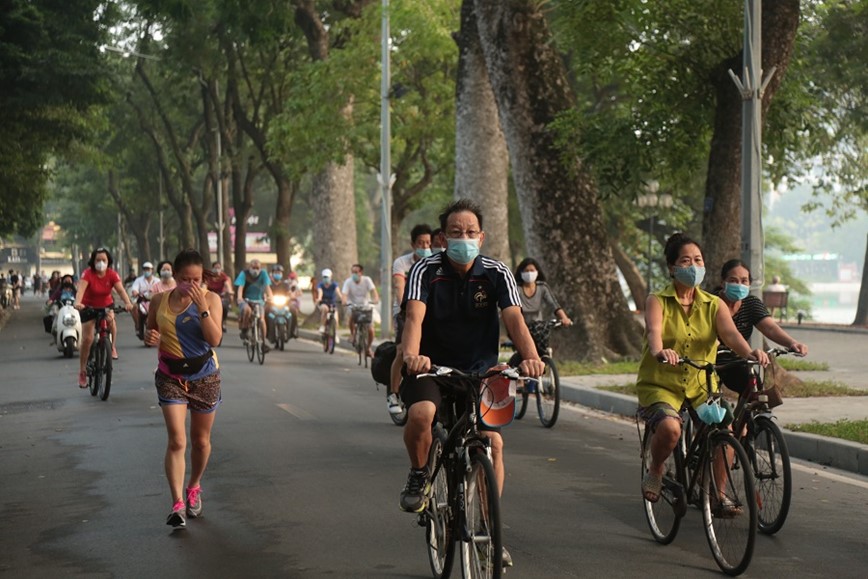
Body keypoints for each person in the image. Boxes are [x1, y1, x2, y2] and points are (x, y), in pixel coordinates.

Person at [399, 199, 545, 569]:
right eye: (454, 233)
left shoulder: (497, 272)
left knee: (492, 443)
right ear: (442, 239)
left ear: (481, 237)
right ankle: (419, 475)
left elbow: (514, 319)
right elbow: (414, 318)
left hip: (481, 372)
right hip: (431, 367)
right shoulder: (424, 271)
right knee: (421, 415)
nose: (463, 238)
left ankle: (489, 527)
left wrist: (531, 357)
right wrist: (414, 356)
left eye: (470, 232)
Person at [637, 233, 769, 508]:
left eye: (698, 260)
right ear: (672, 267)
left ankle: (716, 494)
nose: (693, 266)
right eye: (686, 260)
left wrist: (750, 352)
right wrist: (660, 351)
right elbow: (654, 333)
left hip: (702, 384)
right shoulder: (657, 300)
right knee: (671, 428)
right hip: (662, 384)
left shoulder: (713, 304)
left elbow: (731, 335)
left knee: (727, 431)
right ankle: (657, 468)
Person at [144, 249, 223, 529]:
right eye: (185, 279)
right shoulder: (158, 301)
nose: (192, 285)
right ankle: (177, 504)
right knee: (177, 441)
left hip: (204, 376)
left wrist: (202, 308)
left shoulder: (212, 300)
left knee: (201, 441)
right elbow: (149, 332)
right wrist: (149, 335)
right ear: (174, 277)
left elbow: (214, 338)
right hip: (171, 377)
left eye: (197, 279)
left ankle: (194, 486)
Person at [714, 259, 808, 393]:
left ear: (749, 283)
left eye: (744, 281)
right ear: (723, 282)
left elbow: (770, 328)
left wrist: (792, 343)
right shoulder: (710, 302)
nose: (739, 285)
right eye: (733, 280)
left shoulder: (751, 304)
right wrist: (749, 352)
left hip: (736, 360)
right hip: (706, 360)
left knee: (754, 389)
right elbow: (730, 334)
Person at [388, 224, 433, 414]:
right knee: (402, 351)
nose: (425, 246)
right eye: (421, 243)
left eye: (428, 243)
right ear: (413, 244)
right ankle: (393, 394)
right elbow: (399, 288)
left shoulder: (435, 262)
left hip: (429, 312)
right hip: (404, 311)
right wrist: (406, 310)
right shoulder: (401, 263)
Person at [73, 248, 134, 387]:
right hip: (88, 307)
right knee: (87, 338)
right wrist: (78, 303)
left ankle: (112, 347)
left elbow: (120, 290)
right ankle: (82, 371)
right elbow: (81, 290)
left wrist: (128, 303)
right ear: (93, 262)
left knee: (111, 320)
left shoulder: (112, 274)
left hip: (106, 305)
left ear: (108, 262)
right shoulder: (87, 274)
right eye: (98, 260)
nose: (101, 263)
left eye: (104, 260)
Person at [513, 257, 573, 328]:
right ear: (521, 273)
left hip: (539, 328)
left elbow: (553, 304)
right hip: (520, 328)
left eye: (532, 270)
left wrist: (564, 318)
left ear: (537, 272)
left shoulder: (542, 287)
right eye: (526, 271)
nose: (529, 273)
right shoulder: (516, 289)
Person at [341, 264, 380, 358]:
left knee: (370, 329)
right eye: (352, 272)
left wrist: (375, 299)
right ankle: (352, 334)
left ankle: (368, 348)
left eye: (356, 272)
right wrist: (344, 301)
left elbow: (374, 292)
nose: (354, 274)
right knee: (352, 316)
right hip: (353, 305)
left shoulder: (367, 280)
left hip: (365, 306)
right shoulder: (348, 282)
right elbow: (344, 294)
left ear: (361, 273)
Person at [234, 259, 272, 346]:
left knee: (262, 319)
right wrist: (240, 298)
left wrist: (271, 297)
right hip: (246, 300)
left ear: (260, 268)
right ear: (249, 267)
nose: (255, 270)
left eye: (257, 268)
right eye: (253, 267)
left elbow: (267, 287)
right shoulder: (244, 274)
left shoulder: (263, 274)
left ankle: (263, 342)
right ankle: (244, 329)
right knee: (247, 310)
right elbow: (240, 287)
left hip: (259, 301)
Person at [130, 262, 159, 335]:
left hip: (154, 302)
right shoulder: (138, 280)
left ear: (152, 270)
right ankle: (137, 325)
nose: (147, 271)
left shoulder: (157, 281)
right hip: (142, 301)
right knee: (134, 308)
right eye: (145, 269)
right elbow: (134, 290)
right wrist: (135, 293)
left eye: (148, 269)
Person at [314, 268, 343, 340]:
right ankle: (322, 326)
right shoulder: (320, 285)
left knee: (335, 318)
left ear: (331, 277)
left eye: (327, 277)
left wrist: (343, 299)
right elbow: (320, 292)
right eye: (324, 277)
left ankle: (335, 333)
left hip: (332, 303)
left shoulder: (334, 284)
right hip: (323, 302)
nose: (326, 279)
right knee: (325, 309)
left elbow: (338, 292)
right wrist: (319, 299)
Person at [205, 262, 233, 333]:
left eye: (219, 268)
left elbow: (227, 284)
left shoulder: (223, 276)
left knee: (225, 306)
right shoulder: (209, 276)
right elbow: (204, 285)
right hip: (210, 296)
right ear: (212, 268)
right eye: (215, 268)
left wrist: (230, 292)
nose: (217, 270)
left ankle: (223, 321)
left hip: (220, 296)